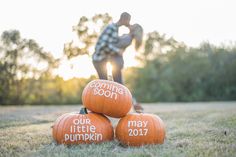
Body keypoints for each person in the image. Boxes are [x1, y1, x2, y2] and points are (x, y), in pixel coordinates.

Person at [92, 12, 143, 112]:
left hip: (109, 61)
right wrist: (117, 51)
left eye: (133, 25)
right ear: (124, 19)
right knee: (109, 85)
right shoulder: (114, 29)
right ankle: (131, 103)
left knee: (114, 86)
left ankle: (130, 103)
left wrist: (117, 51)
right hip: (101, 59)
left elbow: (108, 46)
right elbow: (102, 45)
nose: (130, 24)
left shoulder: (126, 37)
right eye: (129, 21)